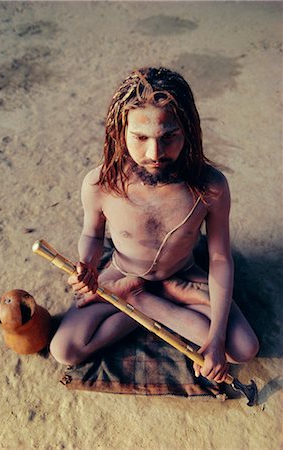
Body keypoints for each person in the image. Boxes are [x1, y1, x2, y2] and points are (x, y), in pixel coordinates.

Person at [50, 67, 259, 382]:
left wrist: (215, 339)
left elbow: (219, 257)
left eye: (169, 136)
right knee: (65, 350)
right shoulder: (101, 183)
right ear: (121, 131)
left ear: (187, 130)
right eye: (140, 137)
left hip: (184, 272)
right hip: (122, 271)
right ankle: (141, 292)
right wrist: (89, 263)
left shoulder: (210, 186)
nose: (154, 153)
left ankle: (141, 297)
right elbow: (92, 234)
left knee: (243, 349)